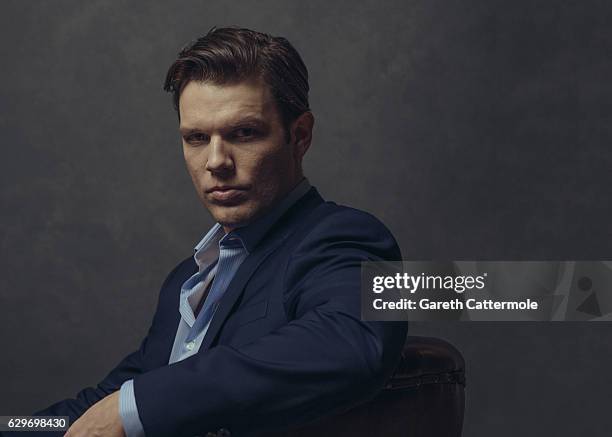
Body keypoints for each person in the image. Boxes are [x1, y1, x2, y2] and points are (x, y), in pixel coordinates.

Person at [11, 27, 408, 437]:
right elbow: (101, 405)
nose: (216, 161)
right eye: (197, 138)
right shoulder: (186, 281)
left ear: (300, 135)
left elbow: (351, 342)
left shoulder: (348, 237)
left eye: (244, 133)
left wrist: (139, 406)